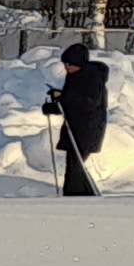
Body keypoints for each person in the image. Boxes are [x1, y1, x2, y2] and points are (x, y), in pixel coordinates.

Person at [46, 39, 108, 196]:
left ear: (79, 64)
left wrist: (63, 98)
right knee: (74, 165)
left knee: (76, 166)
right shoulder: (74, 77)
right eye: (65, 65)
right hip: (74, 128)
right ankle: (80, 194)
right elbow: (69, 105)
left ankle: (77, 196)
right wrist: (53, 105)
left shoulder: (92, 78)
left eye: (69, 65)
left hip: (87, 130)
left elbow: (87, 103)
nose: (66, 68)